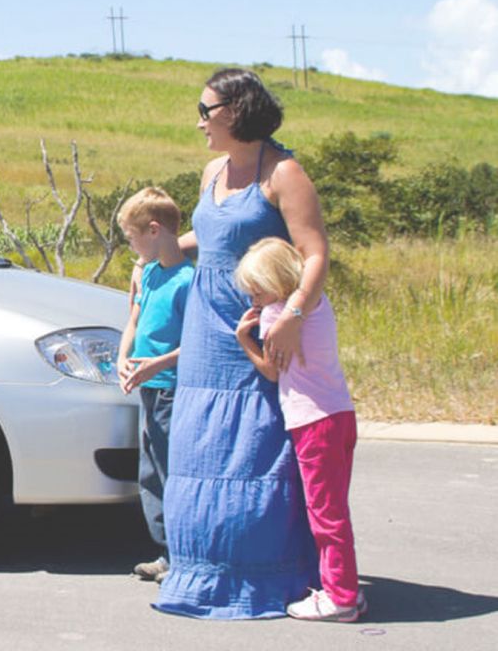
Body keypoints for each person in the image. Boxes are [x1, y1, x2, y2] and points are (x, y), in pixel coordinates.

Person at [154, 68, 330, 619]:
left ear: (236, 110)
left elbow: (316, 254)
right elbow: (210, 236)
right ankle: (200, 573)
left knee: (256, 450)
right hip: (205, 331)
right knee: (198, 448)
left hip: (258, 328)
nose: (200, 121)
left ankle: (260, 576)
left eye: (207, 110)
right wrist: (156, 249)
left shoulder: (283, 172)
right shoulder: (212, 170)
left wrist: (294, 316)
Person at [234, 238, 365, 622]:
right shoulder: (317, 305)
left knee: (325, 513)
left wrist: (245, 340)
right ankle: (347, 589)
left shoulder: (277, 316)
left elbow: (273, 371)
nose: (253, 297)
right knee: (336, 507)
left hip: (311, 422)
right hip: (340, 413)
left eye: (257, 288)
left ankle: (340, 597)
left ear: (277, 279)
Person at [114, 186, 194, 584]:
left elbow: (194, 343)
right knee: (149, 471)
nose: (131, 246)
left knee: (170, 470)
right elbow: (134, 320)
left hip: (170, 386)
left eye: (132, 237)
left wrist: (155, 365)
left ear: (154, 230)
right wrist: (123, 357)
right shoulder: (147, 273)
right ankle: (164, 550)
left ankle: (182, 555)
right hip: (145, 384)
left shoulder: (186, 280)